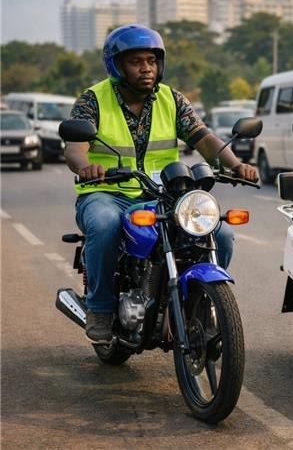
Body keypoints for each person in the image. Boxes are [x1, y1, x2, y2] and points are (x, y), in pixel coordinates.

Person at [65, 24, 258, 343]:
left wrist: (237, 165)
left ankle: (203, 302)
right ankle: (100, 309)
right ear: (117, 66)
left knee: (220, 232)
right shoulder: (93, 100)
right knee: (104, 224)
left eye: (151, 61)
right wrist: (86, 167)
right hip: (107, 193)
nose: (146, 68)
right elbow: (75, 148)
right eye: (136, 61)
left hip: (162, 195)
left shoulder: (172, 99)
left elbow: (204, 139)